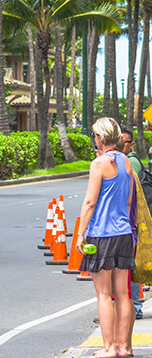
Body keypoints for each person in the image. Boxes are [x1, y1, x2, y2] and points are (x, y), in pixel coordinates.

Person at [77, 117, 135, 358]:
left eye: (94, 136)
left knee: (103, 294)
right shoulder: (126, 163)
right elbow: (129, 201)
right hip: (123, 234)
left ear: (100, 138)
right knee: (123, 293)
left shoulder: (99, 164)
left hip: (102, 234)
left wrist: (80, 234)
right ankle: (125, 347)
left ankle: (108, 347)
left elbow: (90, 202)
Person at [121, 128, 145, 324]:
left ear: (131, 145)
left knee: (132, 267)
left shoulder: (131, 163)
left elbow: (131, 192)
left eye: (125, 143)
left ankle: (135, 307)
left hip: (131, 223)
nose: (122, 146)